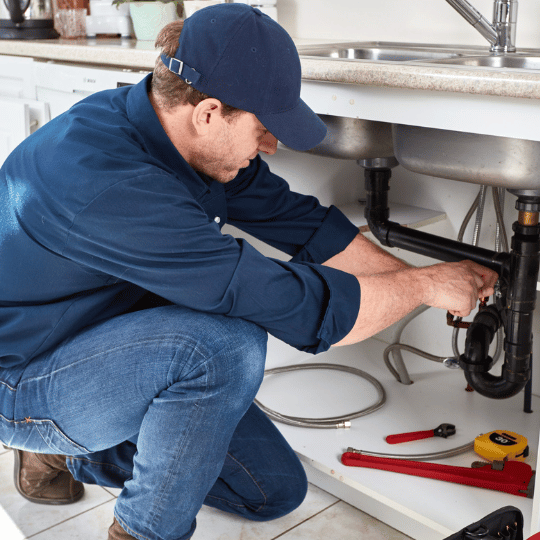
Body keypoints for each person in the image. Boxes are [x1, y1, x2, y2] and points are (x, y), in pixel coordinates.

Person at [0, 4, 498, 540]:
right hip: (28, 375)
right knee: (222, 347)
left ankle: (79, 457)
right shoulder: (111, 184)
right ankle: (131, 524)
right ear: (208, 112)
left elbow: (304, 225)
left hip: (110, 338)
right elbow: (301, 309)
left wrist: (424, 283)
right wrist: (423, 285)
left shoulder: (175, 135)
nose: (270, 145)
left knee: (272, 493)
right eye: (262, 127)